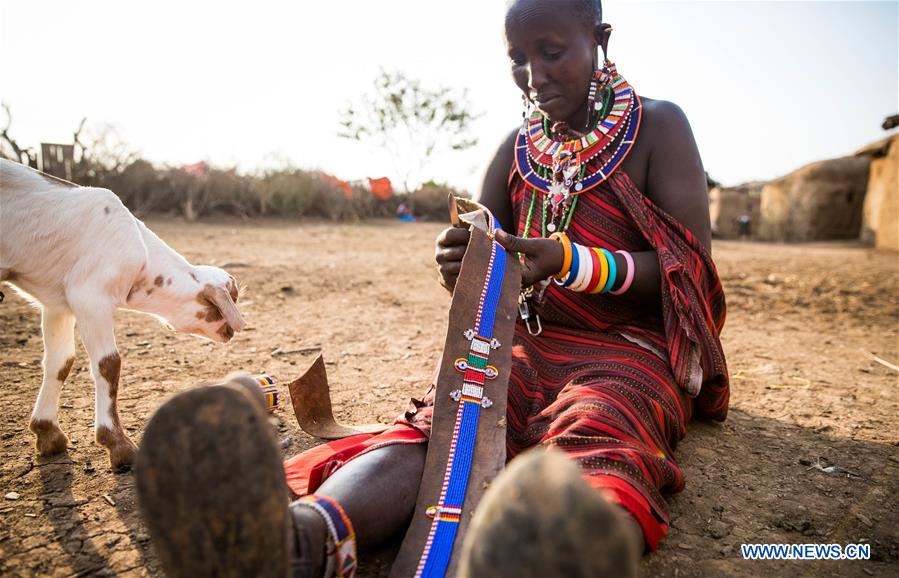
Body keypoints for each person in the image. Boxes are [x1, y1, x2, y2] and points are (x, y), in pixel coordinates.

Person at [136, 1, 729, 576]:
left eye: (551, 53)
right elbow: (492, 262)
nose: (533, 76)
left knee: (599, 424)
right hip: (524, 341)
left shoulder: (658, 127)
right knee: (452, 421)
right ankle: (299, 542)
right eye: (517, 59)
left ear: (599, 41)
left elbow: (689, 272)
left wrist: (571, 261)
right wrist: (464, 266)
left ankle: (552, 560)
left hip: (629, 347)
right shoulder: (516, 148)